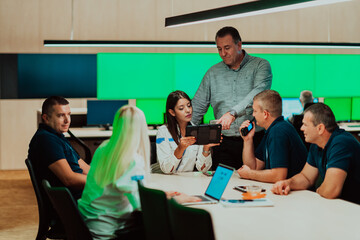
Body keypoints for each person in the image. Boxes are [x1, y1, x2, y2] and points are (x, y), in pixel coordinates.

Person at [78, 105, 200, 239]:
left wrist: (162, 195)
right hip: (109, 231)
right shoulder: (132, 159)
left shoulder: (104, 147)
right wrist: (175, 200)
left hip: (88, 224)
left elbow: (126, 190)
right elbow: (142, 207)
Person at [191, 26, 272, 169]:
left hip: (254, 140)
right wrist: (180, 133)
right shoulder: (212, 73)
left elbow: (258, 94)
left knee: (253, 185)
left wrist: (232, 113)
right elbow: (197, 107)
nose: (223, 53)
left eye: (227, 48)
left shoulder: (260, 65)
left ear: (239, 45)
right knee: (222, 186)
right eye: (219, 49)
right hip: (223, 143)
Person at [272, 103, 360, 204]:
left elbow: (331, 191)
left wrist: (319, 190)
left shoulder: (341, 143)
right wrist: (288, 183)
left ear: (320, 128)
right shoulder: (317, 144)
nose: (301, 128)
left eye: (305, 124)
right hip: (340, 206)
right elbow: (306, 178)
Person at [237, 90, 307, 183]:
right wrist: (247, 140)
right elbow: (253, 167)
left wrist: (249, 174)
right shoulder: (272, 130)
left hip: (296, 195)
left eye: (255, 111)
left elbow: (279, 176)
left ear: (265, 114)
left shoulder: (278, 132)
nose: (253, 115)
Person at [28, 96, 90, 200]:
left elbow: (86, 169)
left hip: (82, 195)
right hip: (73, 202)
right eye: (61, 115)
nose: (67, 120)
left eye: (69, 115)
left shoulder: (58, 137)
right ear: (46, 118)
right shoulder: (46, 140)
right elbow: (69, 179)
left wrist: (107, 178)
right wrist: (101, 182)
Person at [156, 90, 218, 174]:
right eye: (181, 108)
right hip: (166, 180)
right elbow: (167, 169)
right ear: (172, 112)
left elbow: (203, 169)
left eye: (189, 106)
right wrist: (180, 149)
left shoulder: (197, 130)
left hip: (187, 180)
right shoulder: (163, 131)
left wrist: (206, 148)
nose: (188, 110)